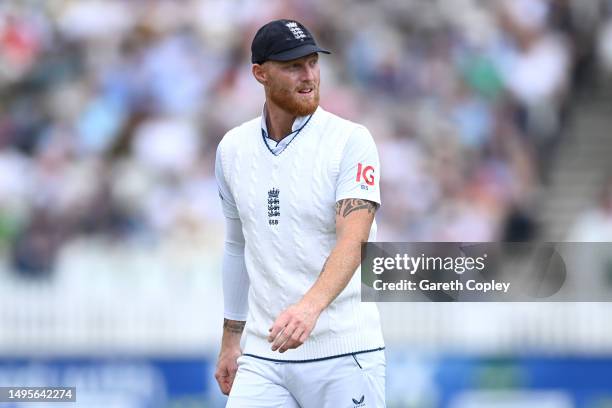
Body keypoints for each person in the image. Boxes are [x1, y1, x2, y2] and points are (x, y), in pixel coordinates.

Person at [214, 19, 386, 408]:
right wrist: (231, 339)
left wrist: (310, 307)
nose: (309, 76)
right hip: (264, 354)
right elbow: (236, 244)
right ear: (260, 74)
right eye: (293, 66)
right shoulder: (232, 149)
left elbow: (354, 238)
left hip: (345, 352)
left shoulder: (350, 140)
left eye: (312, 63)